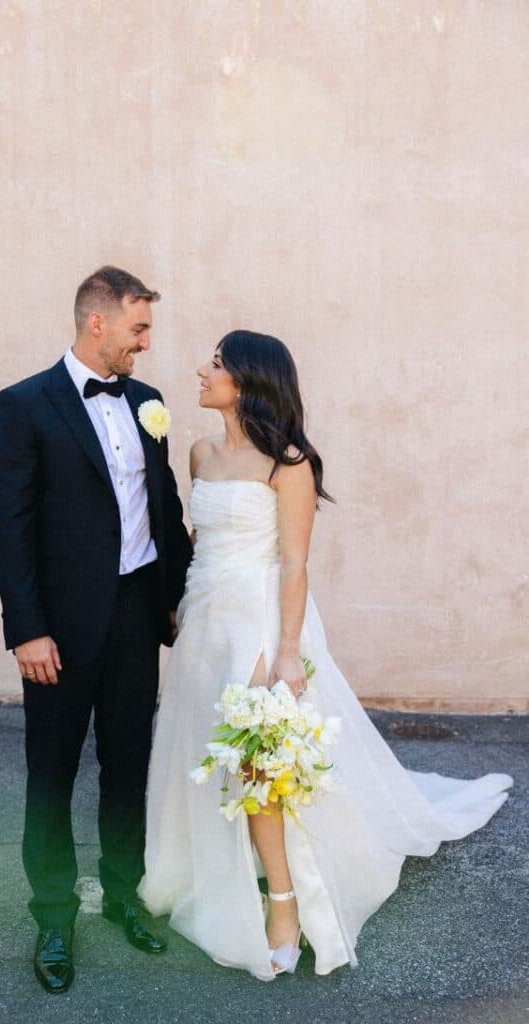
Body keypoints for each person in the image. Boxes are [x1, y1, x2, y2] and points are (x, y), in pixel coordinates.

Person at [138, 329, 514, 981]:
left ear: (250, 380)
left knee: (256, 764)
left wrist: (286, 654)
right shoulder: (198, 452)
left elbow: (292, 563)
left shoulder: (288, 464)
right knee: (208, 750)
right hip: (205, 621)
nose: (201, 370)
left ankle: (284, 908)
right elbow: (201, 539)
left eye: (217, 364)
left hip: (259, 621)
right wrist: (177, 608)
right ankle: (220, 866)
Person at [0, 266, 193, 993]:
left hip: (137, 616)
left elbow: (162, 508)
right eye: (138, 328)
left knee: (128, 765)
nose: (146, 343)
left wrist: (180, 596)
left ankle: (122, 895)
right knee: (51, 773)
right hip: (59, 632)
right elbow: (8, 527)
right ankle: (51, 915)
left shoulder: (149, 401)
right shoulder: (22, 405)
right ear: (96, 322)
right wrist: (27, 630)